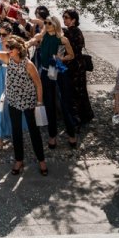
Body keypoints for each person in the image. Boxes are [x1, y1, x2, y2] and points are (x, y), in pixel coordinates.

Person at [0, 32, 47, 175]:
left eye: (10, 49)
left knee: (34, 132)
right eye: (7, 49)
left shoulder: (29, 65)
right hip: (13, 101)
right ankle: (19, 160)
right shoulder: (8, 59)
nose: (7, 51)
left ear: (18, 50)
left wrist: (38, 103)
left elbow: (38, 84)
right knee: (16, 132)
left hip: (28, 102)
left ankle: (41, 161)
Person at [29, 15, 78, 149]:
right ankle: (52, 135)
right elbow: (32, 40)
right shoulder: (42, 36)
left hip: (59, 73)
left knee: (64, 104)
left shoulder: (63, 39)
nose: (46, 24)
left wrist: (60, 58)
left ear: (55, 24)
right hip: (45, 72)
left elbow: (71, 55)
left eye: (49, 23)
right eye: (45, 23)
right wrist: (25, 44)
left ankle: (71, 134)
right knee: (49, 104)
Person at [62, 8, 94, 125]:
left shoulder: (69, 32)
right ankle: (85, 115)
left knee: (74, 91)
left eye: (66, 17)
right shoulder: (76, 31)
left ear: (73, 20)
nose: (64, 19)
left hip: (73, 65)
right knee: (80, 90)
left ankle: (77, 117)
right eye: (63, 17)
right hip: (78, 64)